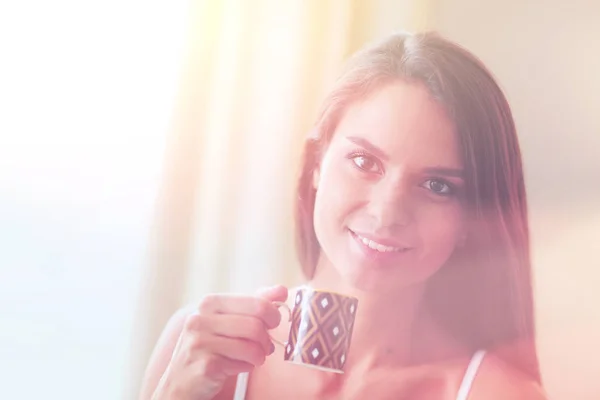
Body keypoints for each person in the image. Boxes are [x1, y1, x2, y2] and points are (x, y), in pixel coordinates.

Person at [139, 31, 548, 399]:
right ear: (316, 163)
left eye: (437, 186)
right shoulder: (197, 349)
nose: (387, 213)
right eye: (364, 161)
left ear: (471, 220)